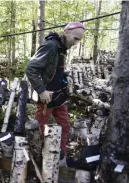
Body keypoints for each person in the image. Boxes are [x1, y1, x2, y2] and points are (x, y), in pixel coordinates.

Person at [25, 22, 85, 165]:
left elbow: (54, 69)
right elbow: (31, 68)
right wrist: (41, 90)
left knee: (65, 126)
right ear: (66, 32)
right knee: (38, 129)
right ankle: (36, 157)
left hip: (59, 96)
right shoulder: (51, 46)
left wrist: (65, 77)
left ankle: (60, 155)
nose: (75, 43)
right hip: (47, 97)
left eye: (79, 40)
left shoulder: (62, 48)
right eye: (75, 39)